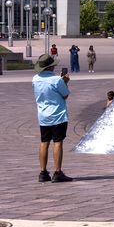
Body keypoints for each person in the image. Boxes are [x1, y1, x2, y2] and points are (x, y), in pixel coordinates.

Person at [32, 54, 72, 182]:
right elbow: (65, 95)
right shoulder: (56, 80)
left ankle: (43, 172)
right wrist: (65, 82)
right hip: (58, 115)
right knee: (57, 142)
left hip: (43, 115)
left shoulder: (35, 79)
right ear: (50, 67)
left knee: (44, 142)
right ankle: (57, 172)